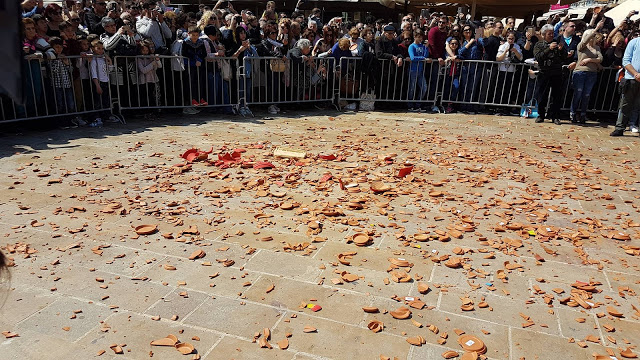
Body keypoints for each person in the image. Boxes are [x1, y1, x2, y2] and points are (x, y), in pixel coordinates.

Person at [534, 24, 568, 125]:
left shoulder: (558, 44)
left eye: (553, 33)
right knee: (542, 95)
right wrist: (549, 48)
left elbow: (564, 58)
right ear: (544, 35)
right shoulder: (539, 45)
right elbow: (538, 57)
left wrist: (562, 50)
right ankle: (541, 115)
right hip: (544, 73)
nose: (552, 35)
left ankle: (555, 116)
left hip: (556, 73)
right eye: (549, 34)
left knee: (556, 96)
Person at [570, 24, 603, 124]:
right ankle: (573, 113)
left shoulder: (596, 48)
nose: (593, 37)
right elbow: (584, 41)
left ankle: (583, 114)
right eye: (592, 35)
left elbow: (600, 59)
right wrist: (595, 29)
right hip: (580, 72)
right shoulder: (581, 46)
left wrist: (589, 60)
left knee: (586, 95)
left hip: (592, 73)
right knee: (578, 93)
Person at [610, 34, 640, 136]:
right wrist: (635, 74)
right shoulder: (634, 42)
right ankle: (620, 127)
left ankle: (633, 124)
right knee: (625, 104)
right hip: (631, 79)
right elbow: (626, 61)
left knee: (637, 105)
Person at [182, 26, 208, 111]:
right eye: (193, 35)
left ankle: (201, 98)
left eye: (196, 35)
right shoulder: (185, 43)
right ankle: (192, 99)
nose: (195, 37)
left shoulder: (201, 42)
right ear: (189, 34)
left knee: (200, 82)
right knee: (191, 82)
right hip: (190, 65)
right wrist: (194, 59)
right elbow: (184, 53)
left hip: (199, 65)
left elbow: (204, 53)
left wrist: (199, 60)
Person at [89, 39, 114, 126]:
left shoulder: (103, 59)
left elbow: (110, 70)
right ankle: (97, 117)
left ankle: (106, 116)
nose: (101, 50)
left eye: (102, 48)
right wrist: (97, 85)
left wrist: (109, 61)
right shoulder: (93, 60)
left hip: (105, 81)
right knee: (97, 101)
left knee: (105, 100)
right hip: (99, 82)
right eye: (98, 48)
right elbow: (94, 74)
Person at [407, 29, 429, 112]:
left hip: (420, 70)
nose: (420, 39)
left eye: (421, 37)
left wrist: (426, 48)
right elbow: (412, 58)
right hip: (413, 70)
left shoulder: (422, 46)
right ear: (414, 37)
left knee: (424, 87)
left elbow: (426, 55)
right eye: (418, 37)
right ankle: (410, 105)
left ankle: (418, 104)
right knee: (411, 88)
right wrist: (423, 58)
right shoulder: (412, 46)